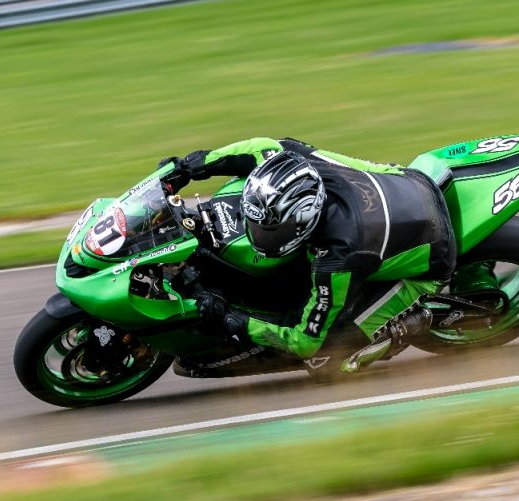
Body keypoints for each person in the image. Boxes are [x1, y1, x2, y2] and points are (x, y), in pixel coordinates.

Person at [160, 137, 456, 373]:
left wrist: (232, 319)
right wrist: (188, 168)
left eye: (270, 231)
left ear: (304, 223)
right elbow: (260, 147)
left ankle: (411, 323)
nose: (257, 235)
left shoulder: (338, 257)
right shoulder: (293, 158)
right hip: (406, 181)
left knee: (327, 361)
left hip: (431, 259)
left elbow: (305, 340)